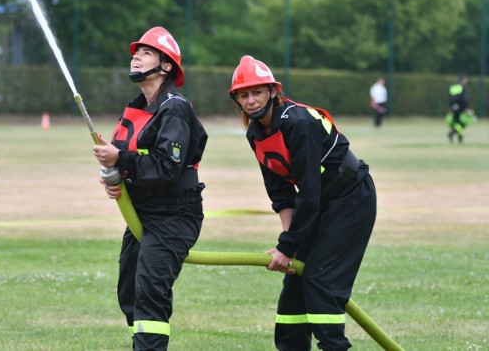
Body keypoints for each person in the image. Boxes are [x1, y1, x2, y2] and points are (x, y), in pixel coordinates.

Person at [228, 55, 377, 351]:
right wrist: (291, 242)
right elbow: (280, 191)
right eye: (244, 95)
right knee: (295, 289)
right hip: (317, 203)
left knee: (321, 281)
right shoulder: (255, 133)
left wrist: (286, 246)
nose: (251, 101)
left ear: (272, 91)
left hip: (350, 199)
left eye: (257, 92)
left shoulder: (298, 122)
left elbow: (308, 189)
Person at [92, 26, 208, 350]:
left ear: (166, 65)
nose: (136, 56)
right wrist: (114, 177)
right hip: (144, 213)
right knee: (128, 290)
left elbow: (166, 167)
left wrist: (121, 159)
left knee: (150, 292)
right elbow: (129, 162)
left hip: (174, 215)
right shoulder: (137, 106)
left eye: (146, 52)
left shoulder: (174, 108)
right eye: (135, 52)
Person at [448, 73, 469, 143]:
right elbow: (464, 99)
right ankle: (457, 137)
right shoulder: (463, 87)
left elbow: (450, 98)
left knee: (457, 123)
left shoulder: (453, 87)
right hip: (461, 107)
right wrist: (466, 107)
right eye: (465, 79)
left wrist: (450, 107)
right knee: (462, 123)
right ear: (462, 80)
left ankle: (452, 133)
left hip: (454, 107)